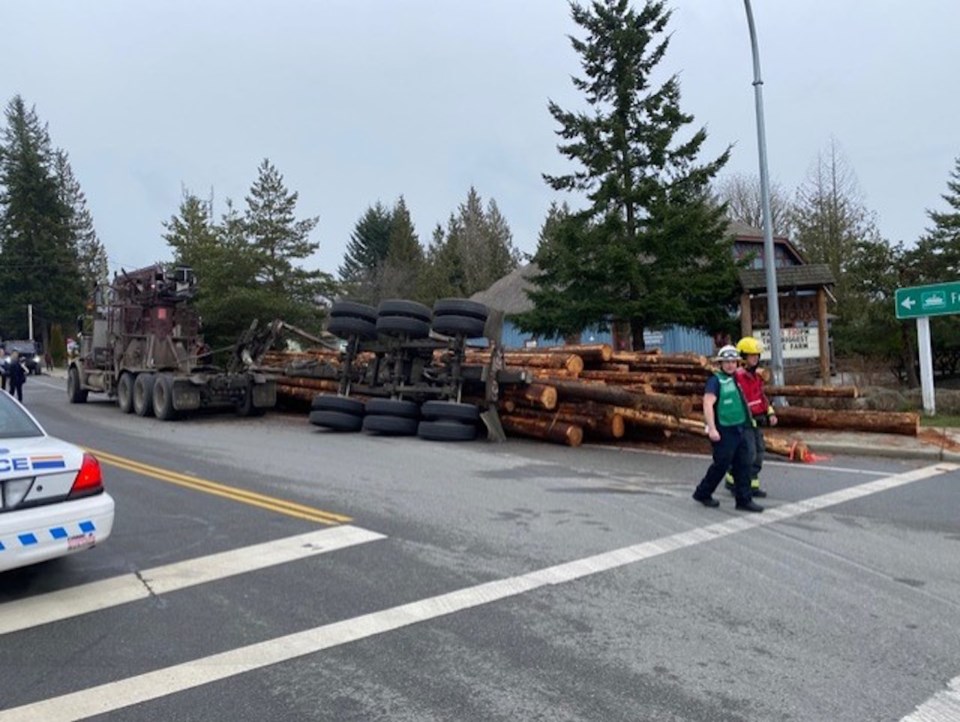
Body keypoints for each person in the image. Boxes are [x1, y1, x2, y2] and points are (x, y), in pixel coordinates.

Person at [692, 345, 764, 512]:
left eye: (733, 361)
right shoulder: (715, 380)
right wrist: (711, 428)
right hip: (723, 429)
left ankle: (744, 500)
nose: (730, 365)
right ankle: (703, 492)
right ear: (721, 363)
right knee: (721, 465)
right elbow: (708, 403)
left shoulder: (738, 379)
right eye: (727, 362)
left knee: (744, 464)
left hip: (741, 427)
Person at [724, 336, 777, 498]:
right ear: (743, 357)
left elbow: (761, 397)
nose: (755, 358)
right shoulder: (738, 377)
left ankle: (750, 483)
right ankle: (739, 483)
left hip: (757, 420)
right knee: (749, 453)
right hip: (744, 422)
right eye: (751, 355)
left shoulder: (756, 377)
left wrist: (770, 412)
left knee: (760, 452)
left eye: (757, 355)